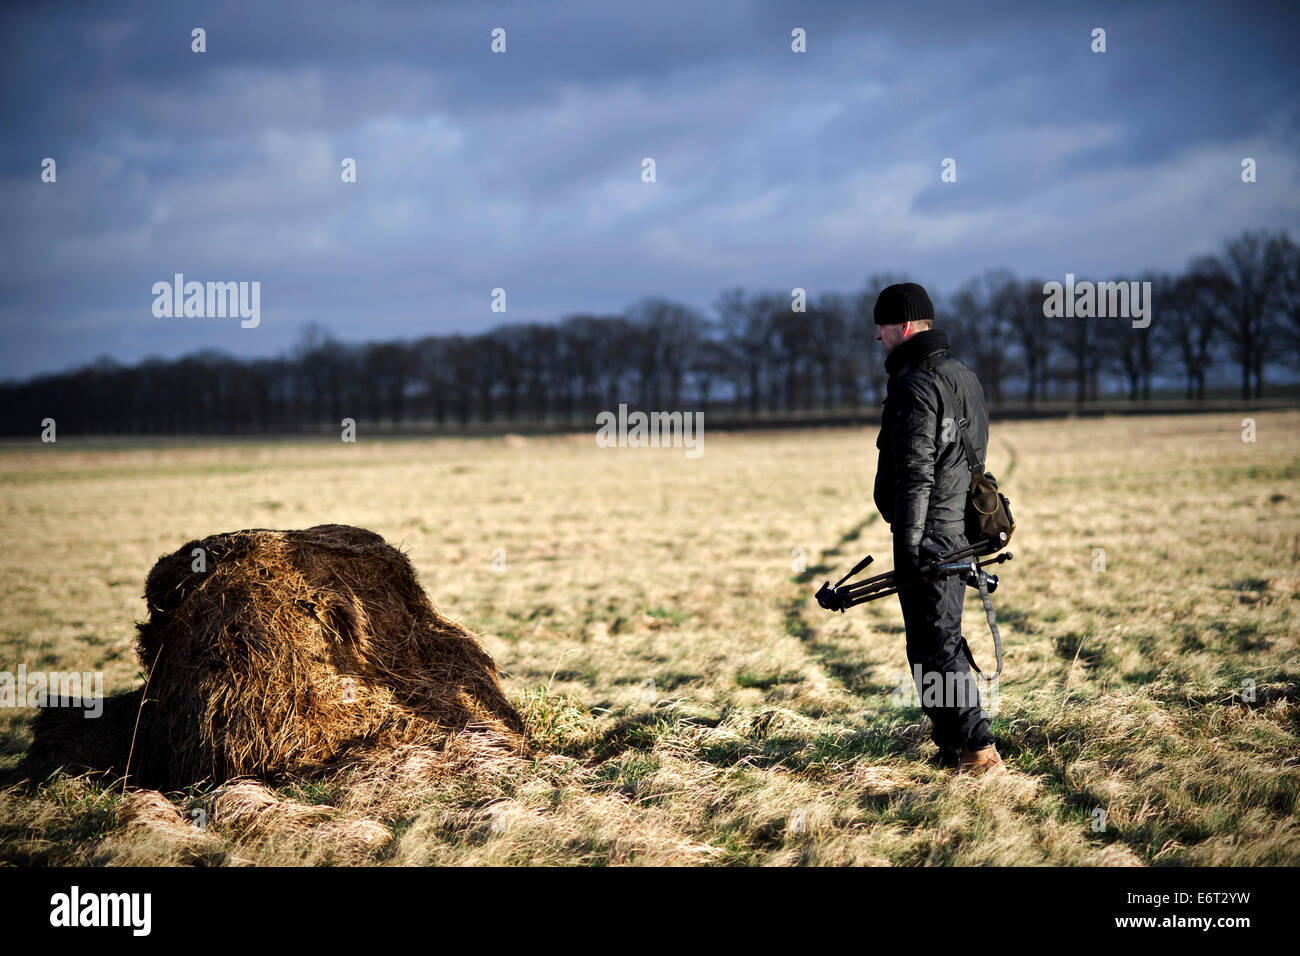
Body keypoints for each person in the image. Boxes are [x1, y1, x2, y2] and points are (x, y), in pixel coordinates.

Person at [872, 282, 1003, 774]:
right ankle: (953, 748)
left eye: (882, 327)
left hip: (930, 535)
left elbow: (916, 474)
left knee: (933, 648)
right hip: (956, 531)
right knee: (937, 641)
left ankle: (978, 751)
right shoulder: (961, 374)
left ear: (903, 326)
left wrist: (909, 548)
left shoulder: (914, 382)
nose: (878, 337)